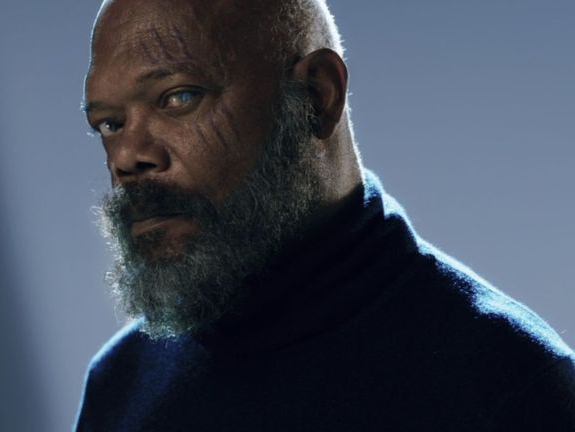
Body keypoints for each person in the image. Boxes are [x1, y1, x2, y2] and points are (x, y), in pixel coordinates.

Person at [75, 0, 575, 430]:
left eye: (179, 98)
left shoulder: (508, 382)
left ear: (317, 97)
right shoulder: (121, 383)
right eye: (110, 124)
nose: (128, 156)